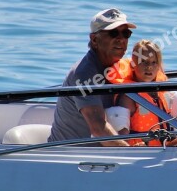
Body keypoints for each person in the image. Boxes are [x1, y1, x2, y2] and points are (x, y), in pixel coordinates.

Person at [47, 8, 137, 146]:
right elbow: (98, 129)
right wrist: (132, 154)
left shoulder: (120, 68)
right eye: (113, 33)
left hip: (102, 156)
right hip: (69, 156)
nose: (121, 39)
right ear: (94, 39)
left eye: (126, 33)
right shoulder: (84, 74)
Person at [112, 40, 177, 146]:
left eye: (154, 62)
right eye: (144, 61)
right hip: (145, 153)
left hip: (169, 149)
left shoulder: (165, 92)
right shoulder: (129, 97)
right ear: (132, 65)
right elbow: (122, 139)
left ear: (159, 66)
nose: (149, 67)